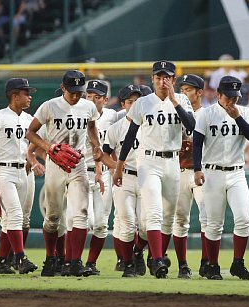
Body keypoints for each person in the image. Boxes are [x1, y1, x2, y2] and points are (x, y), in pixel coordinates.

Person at [113, 60, 196, 279]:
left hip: (172, 161)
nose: (162, 81)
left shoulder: (183, 100)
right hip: (148, 161)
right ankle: (158, 260)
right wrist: (119, 166)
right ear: (152, 79)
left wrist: (175, 100)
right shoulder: (143, 102)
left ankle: (143, 251)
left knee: (169, 217)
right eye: (158, 77)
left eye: (166, 77)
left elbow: (191, 126)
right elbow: (130, 136)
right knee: (154, 213)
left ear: (173, 80)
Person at [26, 70, 104, 277]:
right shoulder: (49, 106)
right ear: (63, 88)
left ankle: (75, 262)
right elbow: (30, 132)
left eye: (79, 91)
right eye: (72, 92)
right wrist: (48, 146)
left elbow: (92, 126)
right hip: (55, 164)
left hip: (78, 163)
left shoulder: (88, 106)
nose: (76, 95)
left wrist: (97, 145)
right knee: (53, 217)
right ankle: (52, 258)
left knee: (81, 214)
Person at [193, 75, 249, 280]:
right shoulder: (207, 114)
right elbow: (196, 143)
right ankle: (213, 265)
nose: (232, 101)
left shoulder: (244, 112)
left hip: (237, 172)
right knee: (213, 223)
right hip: (212, 172)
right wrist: (197, 169)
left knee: (244, 219)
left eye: (235, 96)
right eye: (228, 96)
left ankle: (238, 263)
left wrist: (237, 116)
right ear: (218, 94)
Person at [0, 78, 39, 275]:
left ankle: (1, 262)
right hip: (2, 171)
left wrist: (32, 157)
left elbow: (35, 142)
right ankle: (20, 258)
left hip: (23, 171)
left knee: (11, 220)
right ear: (14, 95)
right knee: (15, 214)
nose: (29, 96)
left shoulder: (30, 119)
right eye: (25, 93)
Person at [103, 84, 143, 277]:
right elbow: (103, 155)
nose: (134, 105)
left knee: (145, 225)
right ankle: (127, 265)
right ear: (123, 104)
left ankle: (137, 254)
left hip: (146, 178)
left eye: (138, 101)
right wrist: (116, 168)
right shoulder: (116, 128)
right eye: (130, 101)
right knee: (127, 221)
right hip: (124, 179)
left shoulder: (150, 126)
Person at [82, 79, 119, 275]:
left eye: (97, 97)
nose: (92, 100)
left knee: (101, 224)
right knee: (84, 221)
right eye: (88, 96)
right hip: (80, 172)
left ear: (105, 100)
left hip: (104, 174)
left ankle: (91, 263)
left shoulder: (113, 116)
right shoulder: (79, 113)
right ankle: (71, 260)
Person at [174, 74, 206, 278]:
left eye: (188, 89)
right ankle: (182, 264)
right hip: (179, 170)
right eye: (182, 89)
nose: (184, 92)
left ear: (199, 92)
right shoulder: (175, 112)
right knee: (179, 220)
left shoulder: (208, 114)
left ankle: (207, 262)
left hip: (201, 171)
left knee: (207, 217)